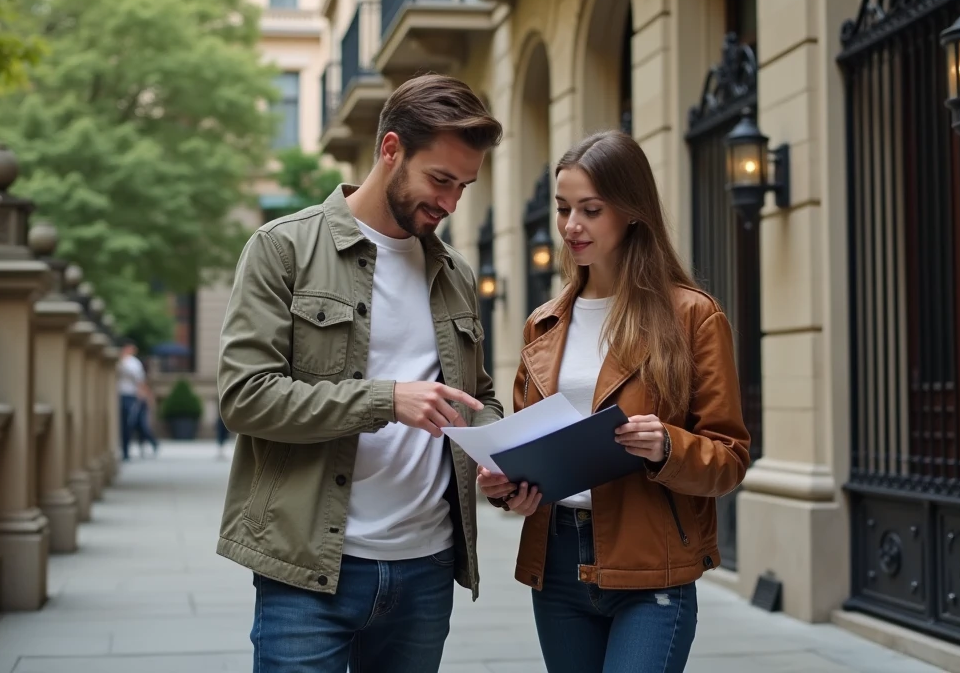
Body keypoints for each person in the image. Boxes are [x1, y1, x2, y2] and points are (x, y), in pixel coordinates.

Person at [216, 73, 506, 673]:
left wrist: (502, 457)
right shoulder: (283, 249)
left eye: (464, 187)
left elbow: (478, 398)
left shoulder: (454, 273)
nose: (451, 203)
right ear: (391, 149)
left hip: (427, 569)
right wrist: (384, 400)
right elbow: (245, 397)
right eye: (441, 180)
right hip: (308, 570)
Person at [478, 130, 752, 673]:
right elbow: (527, 444)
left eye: (590, 210)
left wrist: (664, 446)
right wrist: (507, 488)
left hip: (652, 567)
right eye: (563, 209)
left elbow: (729, 459)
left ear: (630, 210)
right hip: (555, 567)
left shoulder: (692, 316)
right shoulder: (544, 322)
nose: (571, 226)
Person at [117, 341, 157, 460]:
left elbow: (140, 381)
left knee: (129, 424)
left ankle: (126, 451)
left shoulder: (133, 363)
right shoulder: (119, 360)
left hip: (130, 396)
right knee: (124, 425)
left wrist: (145, 396)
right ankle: (125, 449)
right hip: (119, 395)